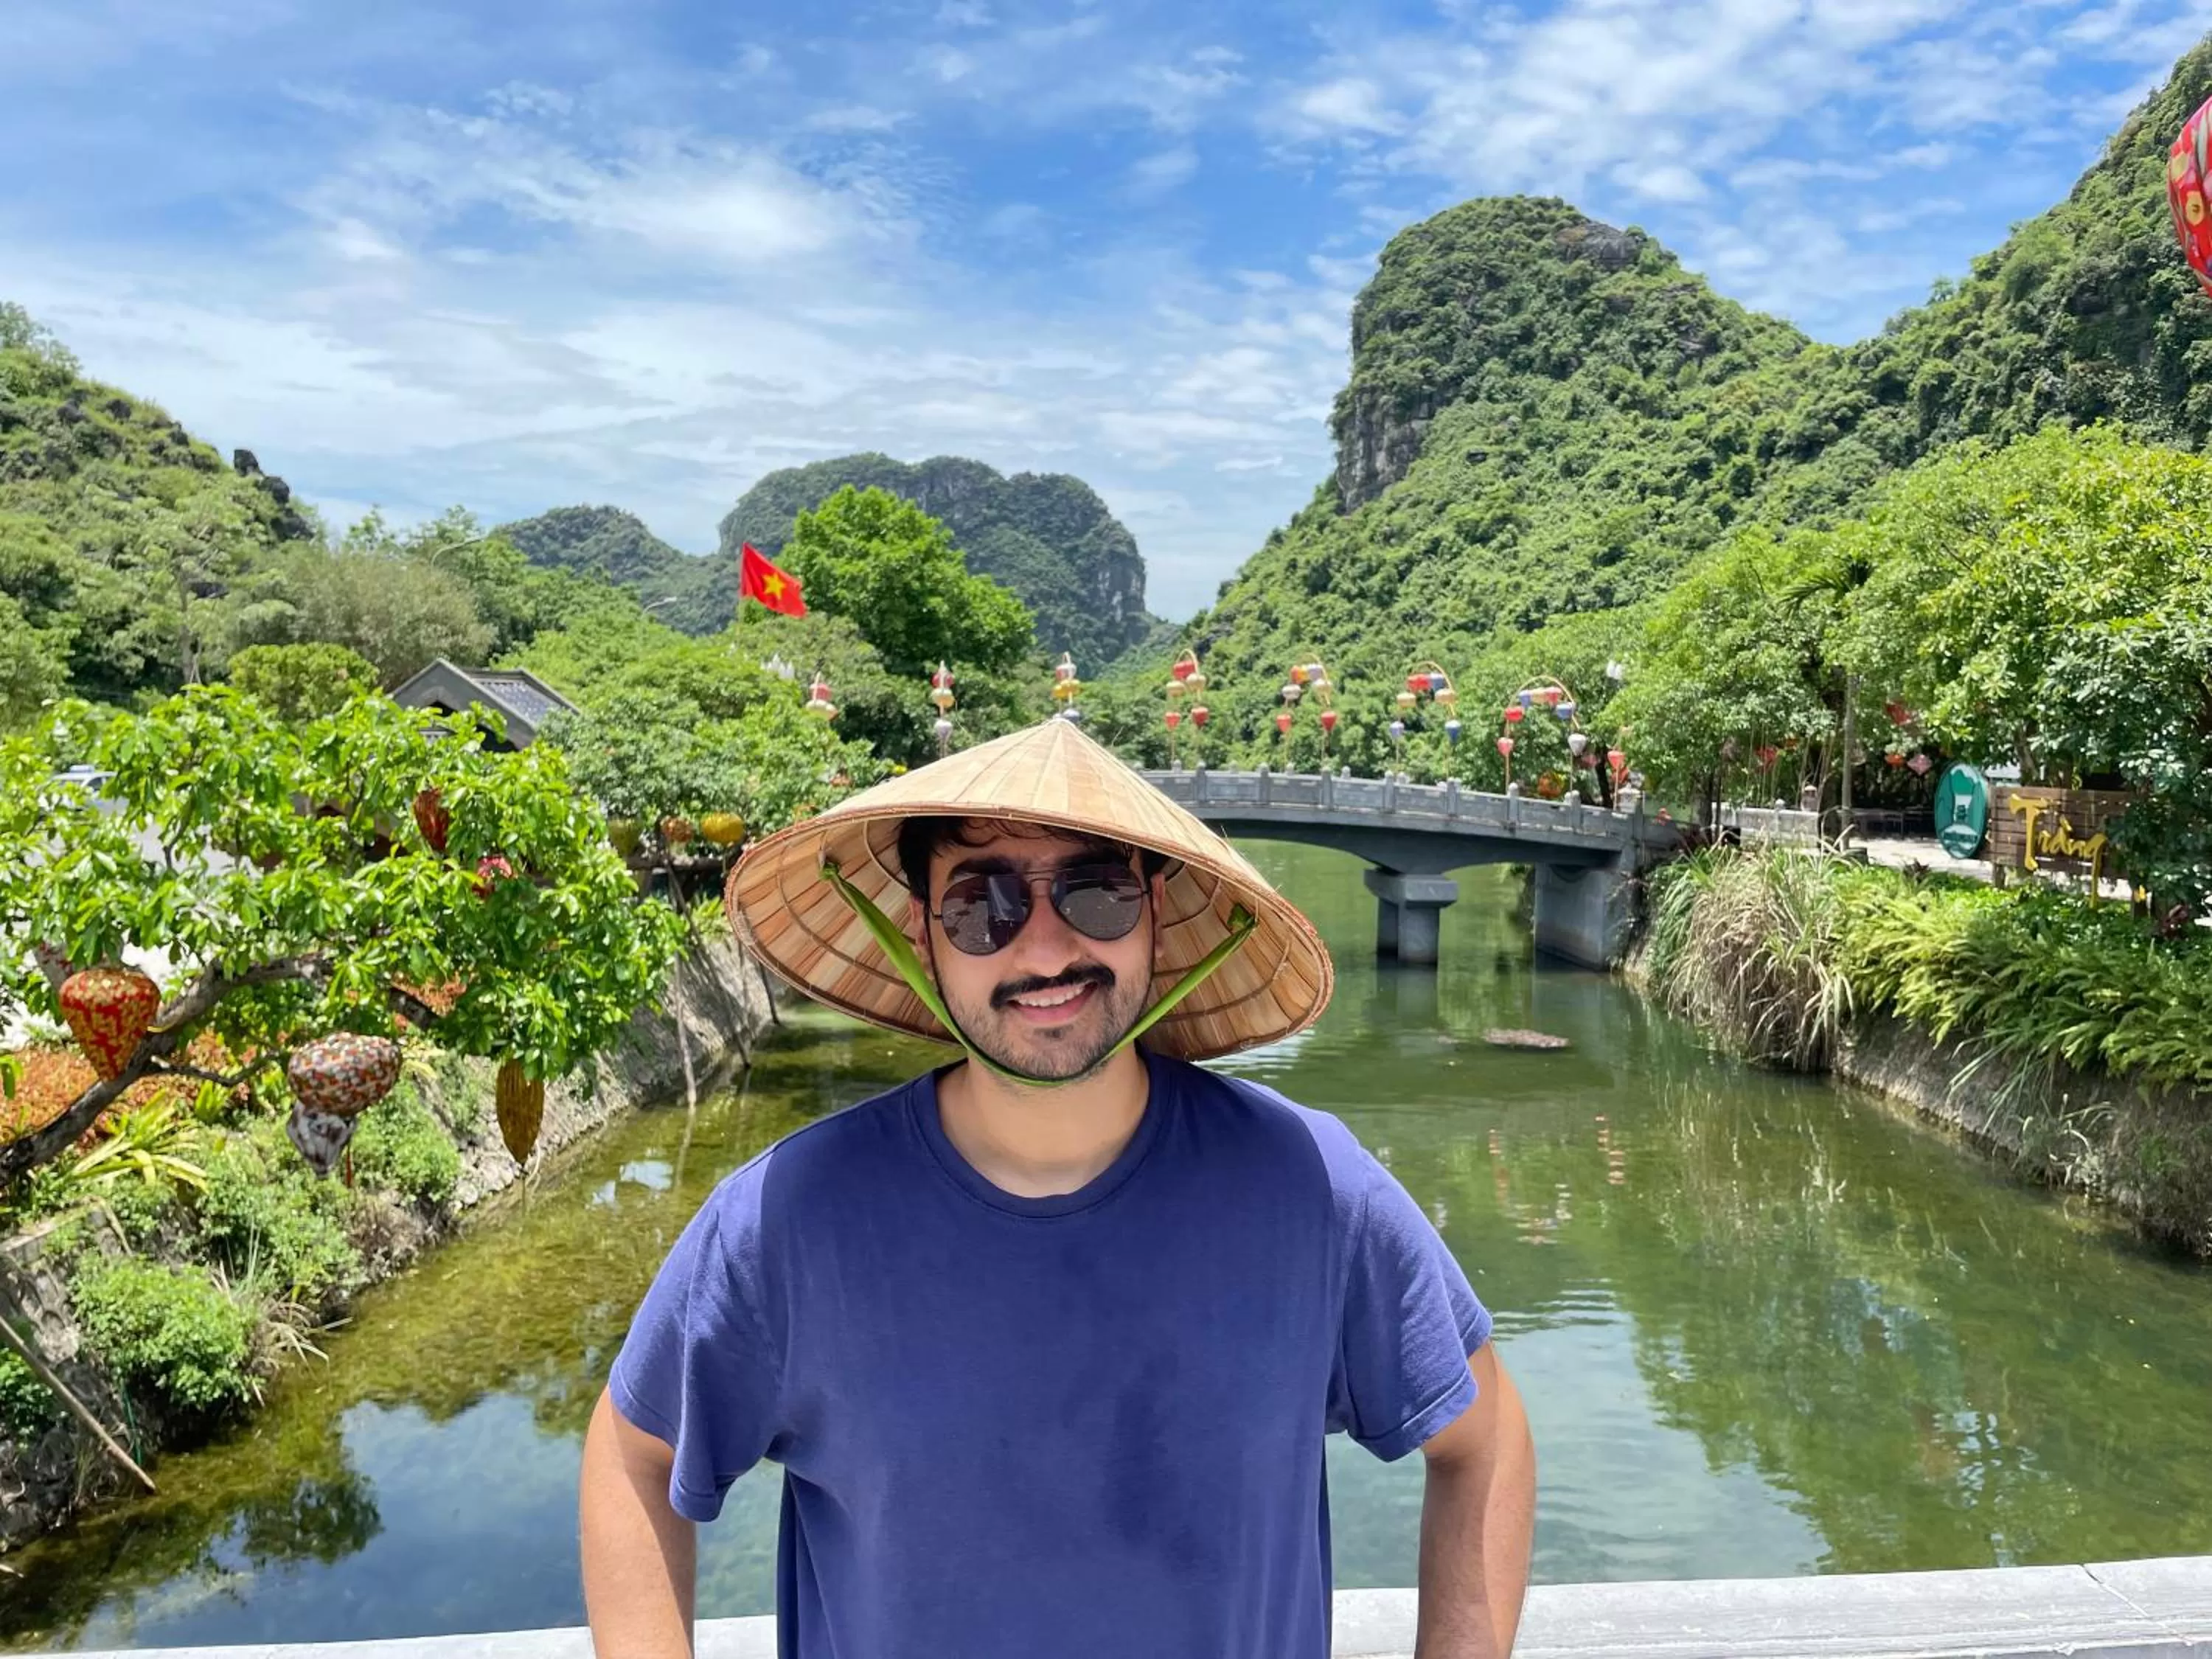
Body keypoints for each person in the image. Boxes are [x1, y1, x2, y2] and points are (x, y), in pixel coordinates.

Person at [580, 718, 1537, 1659]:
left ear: (1156, 912)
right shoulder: (788, 1218)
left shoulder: (1312, 1189)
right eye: (981, 903)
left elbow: (1483, 1439)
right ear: (923, 931)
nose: (1043, 951)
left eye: (1095, 893)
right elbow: (633, 1454)